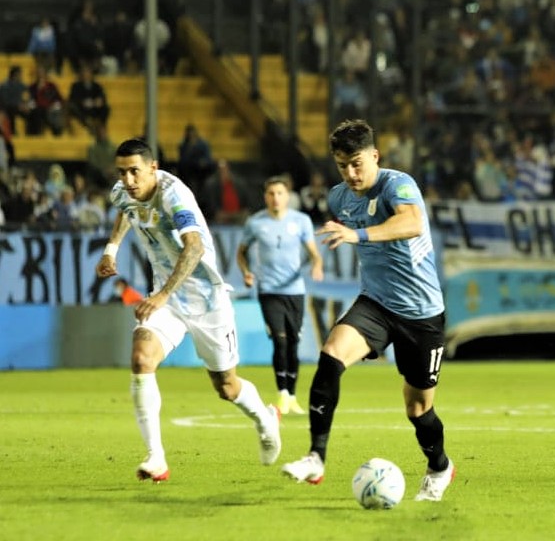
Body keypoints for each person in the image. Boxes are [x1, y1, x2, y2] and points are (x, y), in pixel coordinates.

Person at [280, 120, 455, 502]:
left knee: (418, 408)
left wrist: (356, 235)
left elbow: (411, 222)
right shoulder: (340, 197)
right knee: (330, 355)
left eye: (357, 163)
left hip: (421, 312)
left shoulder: (398, 184)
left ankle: (439, 466)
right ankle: (316, 457)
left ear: (375, 156)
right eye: (342, 165)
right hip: (375, 303)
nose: (351, 173)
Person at [95, 138, 281, 482]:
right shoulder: (124, 191)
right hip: (166, 300)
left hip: (207, 300)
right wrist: (111, 249)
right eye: (122, 172)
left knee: (226, 387)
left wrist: (164, 294)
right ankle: (156, 458)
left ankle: (265, 419)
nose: (128, 180)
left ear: (153, 167)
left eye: (135, 171)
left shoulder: (173, 195)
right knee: (141, 359)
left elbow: (193, 248)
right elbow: (125, 209)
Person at [237, 176, 325, 417]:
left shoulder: (301, 221)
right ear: (265, 196)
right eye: (271, 193)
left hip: (294, 291)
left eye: (279, 193)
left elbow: (314, 254)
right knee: (280, 339)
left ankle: (293, 396)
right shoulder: (256, 223)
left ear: (288, 196)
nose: (275, 198)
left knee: (293, 343)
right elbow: (241, 253)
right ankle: (282, 394)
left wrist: (317, 265)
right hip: (268, 290)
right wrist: (246, 272)